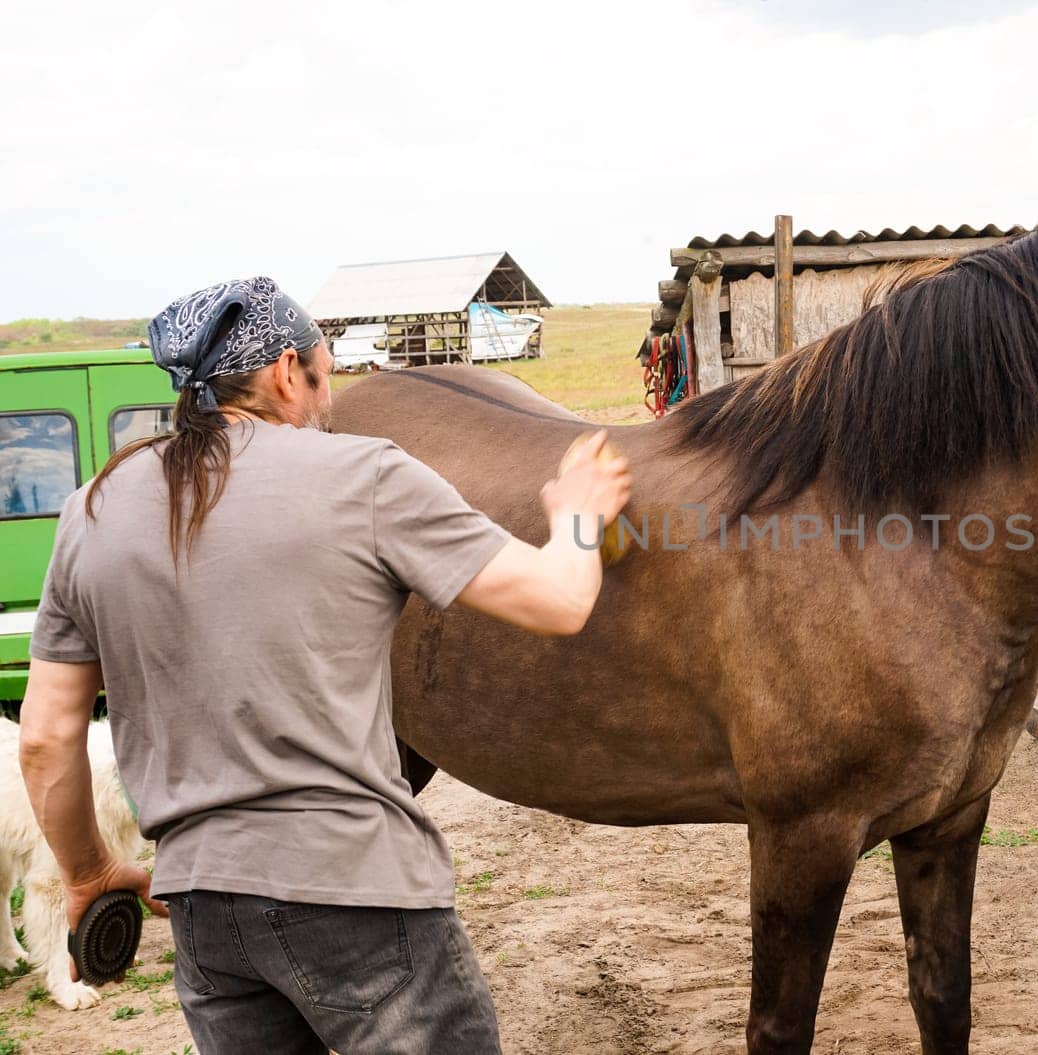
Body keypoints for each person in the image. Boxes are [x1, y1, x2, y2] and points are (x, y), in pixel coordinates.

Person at [19, 277, 631, 1054]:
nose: (329, 393)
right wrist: (577, 513)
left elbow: (44, 737)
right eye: (325, 370)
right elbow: (559, 602)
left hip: (204, 910)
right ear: (285, 371)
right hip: (357, 892)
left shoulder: (91, 510)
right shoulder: (365, 476)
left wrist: (88, 872)